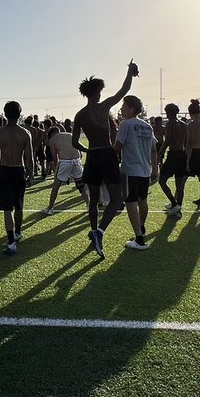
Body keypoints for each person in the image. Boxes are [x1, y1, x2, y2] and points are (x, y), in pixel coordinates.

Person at [72, 60, 138, 258]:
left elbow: (75, 142)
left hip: (92, 156)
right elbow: (124, 89)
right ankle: (99, 232)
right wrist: (129, 71)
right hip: (107, 155)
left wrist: (88, 149)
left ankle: (94, 231)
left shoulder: (80, 114)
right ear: (96, 92)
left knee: (93, 200)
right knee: (116, 198)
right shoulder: (104, 107)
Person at [114, 95, 156, 250]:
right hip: (145, 170)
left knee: (131, 203)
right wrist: (155, 169)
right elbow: (153, 149)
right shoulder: (147, 126)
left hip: (131, 170)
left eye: (123, 106)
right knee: (142, 201)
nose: (121, 110)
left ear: (131, 108)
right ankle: (142, 228)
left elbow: (118, 146)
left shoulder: (126, 124)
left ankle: (139, 239)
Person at [0, 101, 34, 256]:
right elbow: (29, 158)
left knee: (7, 208)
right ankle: (17, 233)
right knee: (18, 205)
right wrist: (31, 175)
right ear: (19, 113)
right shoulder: (25, 133)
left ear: (5, 113)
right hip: (19, 170)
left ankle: (11, 242)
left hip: (4, 170)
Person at [42, 123, 89, 214]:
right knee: (81, 186)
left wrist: (56, 169)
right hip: (77, 160)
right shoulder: (70, 135)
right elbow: (78, 150)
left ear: (51, 134)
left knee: (56, 186)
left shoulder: (52, 140)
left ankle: (50, 208)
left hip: (65, 162)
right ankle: (88, 205)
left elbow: (54, 157)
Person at [158, 104, 189, 215]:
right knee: (179, 185)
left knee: (161, 181)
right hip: (182, 155)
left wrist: (160, 153)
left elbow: (168, 140)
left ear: (167, 112)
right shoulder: (184, 124)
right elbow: (186, 143)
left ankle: (174, 203)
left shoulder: (170, 124)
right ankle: (178, 206)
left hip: (173, 155)